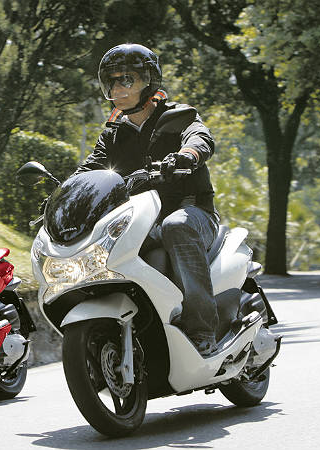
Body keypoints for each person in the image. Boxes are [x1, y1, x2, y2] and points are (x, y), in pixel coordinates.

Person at [75, 44, 219, 356]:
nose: (118, 89)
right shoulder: (113, 133)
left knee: (176, 226)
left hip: (191, 211)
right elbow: (90, 169)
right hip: (140, 220)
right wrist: (65, 192)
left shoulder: (178, 116)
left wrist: (187, 155)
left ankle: (202, 329)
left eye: (127, 80)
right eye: (112, 82)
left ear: (149, 81)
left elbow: (200, 137)